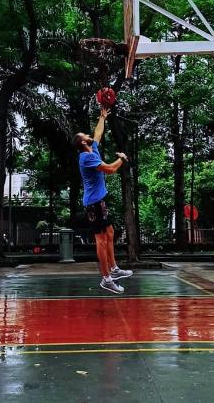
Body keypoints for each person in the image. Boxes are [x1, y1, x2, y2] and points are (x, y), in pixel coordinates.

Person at [72, 108, 133, 294]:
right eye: (86, 135)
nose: (90, 135)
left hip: (100, 201)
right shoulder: (86, 157)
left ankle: (114, 269)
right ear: (83, 142)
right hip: (93, 203)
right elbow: (110, 169)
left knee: (110, 233)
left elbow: (98, 133)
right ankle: (106, 279)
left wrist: (102, 117)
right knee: (100, 240)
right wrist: (121, 159)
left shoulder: (93, 149)